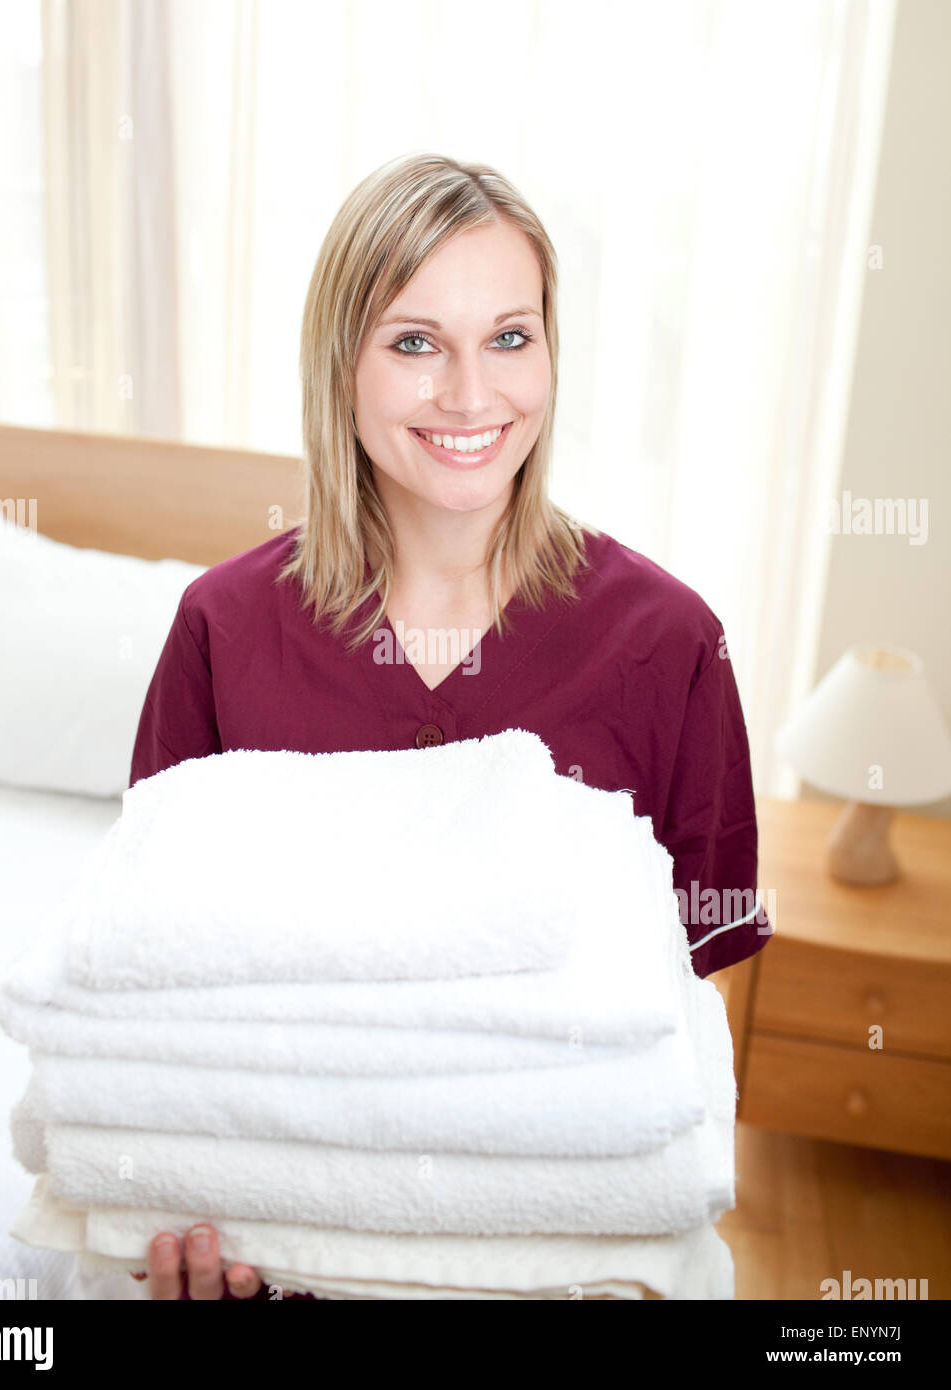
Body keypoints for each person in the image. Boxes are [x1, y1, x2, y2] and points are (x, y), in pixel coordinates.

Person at [128, 152, 770, 1300]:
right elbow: (161, 976)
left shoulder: (668, 644)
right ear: (342, 365)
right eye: (414, 341)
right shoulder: (220, 630)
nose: (471, 397)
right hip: (283, 1254)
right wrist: (192, 1205)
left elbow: (687, 1018)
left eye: (509, 338)